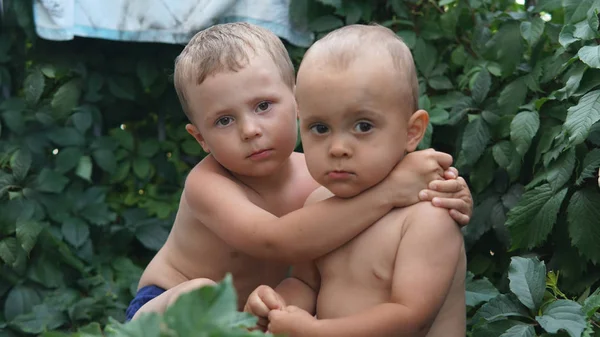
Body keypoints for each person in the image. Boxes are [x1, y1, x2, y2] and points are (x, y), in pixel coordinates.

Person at [126, 22, 472, 322]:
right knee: (201, 294)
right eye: (224, 120)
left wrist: (446, 193)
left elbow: (386, 184)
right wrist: (392, 191)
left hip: (253, 312)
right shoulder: (208, 184)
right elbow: (276, 241)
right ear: (200, 137)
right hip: (166, 303)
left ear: (298, 102)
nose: (250, 130)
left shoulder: (322, 173)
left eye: (263, 106)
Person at [244, 24, 467, 337]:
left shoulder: (428, 213)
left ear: (412, 131)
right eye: (320, 128)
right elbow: (306, 283)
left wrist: (317, 332)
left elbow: (411, 317)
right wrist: (276, 305)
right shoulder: (320, 203)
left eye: (363, 126)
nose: (337, 148)